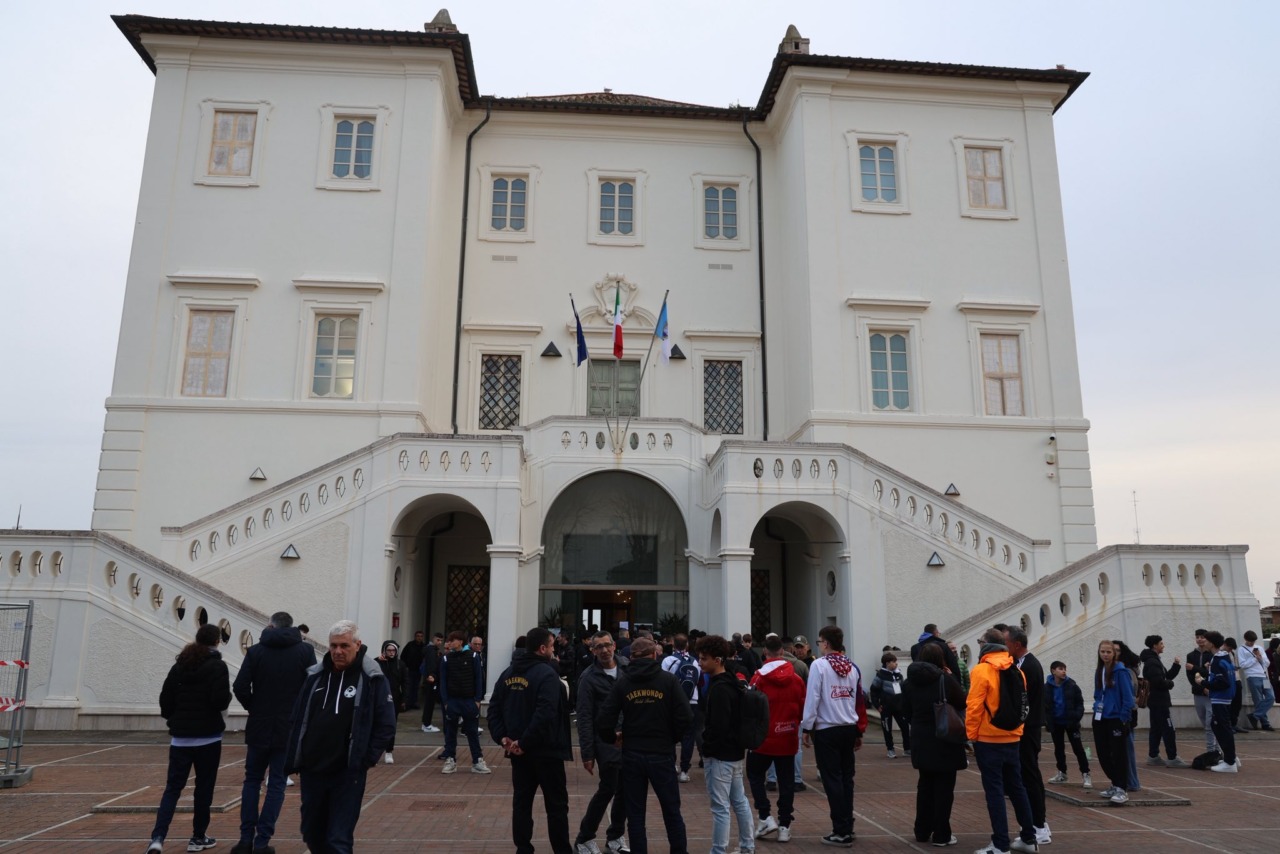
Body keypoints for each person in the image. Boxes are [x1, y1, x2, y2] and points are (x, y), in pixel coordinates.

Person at [284, 620, 396, 854]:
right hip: (313, 770)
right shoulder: (315, 676)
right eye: (333, 646)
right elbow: (298, 717)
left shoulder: (372, 678)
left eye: (344, 645)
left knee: (338, 838)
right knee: (312, 832)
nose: (338, 651)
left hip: (347, 772)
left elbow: (386, 724)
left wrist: (365, 758)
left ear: (358, 645)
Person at [596, 636, 692, 854]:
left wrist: (613, 738)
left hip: (633, 753)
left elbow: (603, 720)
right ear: (655, 655)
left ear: (631, 658)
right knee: (671, 811)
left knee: (636, 815)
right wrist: (671, 737)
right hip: (661, 753)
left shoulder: (624, 682)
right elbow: (685, 716)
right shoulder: (668, 681)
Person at [232, 610, 317, 854]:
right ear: (291, 627)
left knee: (252, 781)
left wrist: (254, 706)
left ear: (270, 626)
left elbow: (240, 686)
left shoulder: (256, 650)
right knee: (276, 784)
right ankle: (262, 841)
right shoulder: (305, 651)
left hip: (260, 724)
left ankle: (246, 838)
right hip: (288, 726)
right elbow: (312, 686)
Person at [488, 627, 575, 854]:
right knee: (556, 806)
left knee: (522, 804)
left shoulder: (507, 673)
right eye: (552, 646)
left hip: (520, 752)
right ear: (542, 648)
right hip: (546, 751)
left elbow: (494, 709)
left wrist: (504, 738)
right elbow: (545, 713)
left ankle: (523, 849)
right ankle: (562, 850)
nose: (555, 651)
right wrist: (520, 742)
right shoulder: (547, 674)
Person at [146, 624, 231, 854]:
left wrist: (174, 719)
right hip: (208, 738)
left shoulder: (180, 665)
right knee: (203, 788)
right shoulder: (217, 666)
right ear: (216, 641)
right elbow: (220, 701)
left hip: (181, 738)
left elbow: (166, 699)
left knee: (172, 789)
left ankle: (157, 838)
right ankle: (197, 837)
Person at [967, 627, 1038, 854]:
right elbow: (1023, 704)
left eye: (980, 641)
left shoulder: (981, 670)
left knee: (995, 791)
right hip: (1013, 736)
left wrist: (971, 736)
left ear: (986, 645)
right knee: (1017, 788)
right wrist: (1018, 729)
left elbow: (974, 707)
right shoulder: (1017, 670)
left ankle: (1000, 844)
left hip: (989, 737)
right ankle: (1029, 838)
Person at [801, 624, 863, 848]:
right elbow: (857, 699)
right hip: (848, 726)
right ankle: (848, 823)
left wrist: (807, 727)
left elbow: (813, 697)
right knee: (846, 778)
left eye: (819, 642)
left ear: (826, 643)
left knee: (832, 780)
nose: (819, 645)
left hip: (827, 728)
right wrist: (858, 730)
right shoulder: (852, 667)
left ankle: (841, 829)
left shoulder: (819, 666)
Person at [901, 641, 966, 847]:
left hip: (921, 738)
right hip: (944, 737)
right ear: (940, 659)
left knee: (925, 786)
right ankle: (941, 834)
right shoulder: (944, 679)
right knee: (944, 789)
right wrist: (950, 675)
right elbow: (962, 701)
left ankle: (921, 830)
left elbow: (905, 710)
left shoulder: (909, 682)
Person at [696, 634, 756, 854]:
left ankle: (719, 850)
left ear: (718, 659)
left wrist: (707, 749)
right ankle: (747, 847)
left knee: (720, 807)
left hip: (720, 755)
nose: (700, 662)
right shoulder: (733, 682)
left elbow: (718, 726)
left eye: (704, 658)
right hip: (735, 753)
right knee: (738, 801)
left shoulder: (720, 688)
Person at [575, 631, 630, 854]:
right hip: (605, 742)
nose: (604, 650)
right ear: (592, 650)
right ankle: (584, 837)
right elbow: (585, 717)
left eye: (607, 645)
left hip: (628, 739)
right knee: (608, 788)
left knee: (625, 790)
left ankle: (616, 836)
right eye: (599, 647)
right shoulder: (588, 678)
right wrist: (587, 753)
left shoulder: (628, 668)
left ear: (614, 645)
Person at [746, 636, 805, 843]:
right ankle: (784, 826)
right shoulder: (797, 679)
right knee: (787, 782)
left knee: (754, 775)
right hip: (787, 735)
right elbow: (802, 706)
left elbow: (750, 708)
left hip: (764, 737)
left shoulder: (758, 678)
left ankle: (764, 816)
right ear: (783, 652)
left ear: (765, 653)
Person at [1004, 626, 1049, 846]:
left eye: (1007, 643)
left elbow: (1024, 699)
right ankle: (1036, 823)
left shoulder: (1029, 666)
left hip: (1028, 728)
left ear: (1017, 645)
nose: (1005, 647)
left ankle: (1039, 825)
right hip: (1026, 726)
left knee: (1030, 775)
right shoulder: (1021, 664)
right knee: (1026, 774)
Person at [439, 630, 491, 774]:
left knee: (472, 731)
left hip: (469, 700)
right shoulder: (445, 659)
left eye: (453, 640)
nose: (450, 643)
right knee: (450, 731)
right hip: (453, 701)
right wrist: (445, 701)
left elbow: (478, 678)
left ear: (460, 642)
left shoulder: (473, 656)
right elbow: (443, 681)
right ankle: (450, 759)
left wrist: (477, 700)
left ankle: (477, 760)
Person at [1091, 640, 1135, 804]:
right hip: (1101, 717)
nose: (1105, 655)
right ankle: (1115, 783)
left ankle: (1121, 788)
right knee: (1103, 753)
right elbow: (1097, 692)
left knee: (1118, 754)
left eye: (1108, 652)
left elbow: (1128, 697)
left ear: (1114, 654)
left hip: (1116, 718)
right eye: (1103, 652)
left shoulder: (1120, 671)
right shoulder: (1100, 670)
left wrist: (1124, 717)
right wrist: (1097, 706)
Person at [1195, 630, 1241, 772]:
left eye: (1206, 640)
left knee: (1222, 728)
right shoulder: (1224, 657)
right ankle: (1232, 758)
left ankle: (1230, 762)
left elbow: (1223, 682)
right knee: (1219, 727)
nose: (1203, 641)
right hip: (1224, 698)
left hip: (1220, 699)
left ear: (1212, 643)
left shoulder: (1218, 660)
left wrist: (1203, 682)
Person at [660, 633, 702, 783]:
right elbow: (698, 681)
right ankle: (685, 770)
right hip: (692, 701)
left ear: (673, 645)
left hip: (672, 702)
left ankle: (672, 764)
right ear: (687, 646)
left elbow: (663, 681)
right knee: (688, 737)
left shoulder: (667, 660)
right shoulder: (695, 661)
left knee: (670, 734)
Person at [1140, 635, 1186, 767]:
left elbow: (1166, 675)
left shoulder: (1154, 660)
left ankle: (1153, 755)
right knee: (1168, 728)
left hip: (1155, 701)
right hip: (1159, 701)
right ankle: (1172, 757)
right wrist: (1170, 684)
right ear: (1154, 645)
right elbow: (1159, 682)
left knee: (1156, 728)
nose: (1163, 645)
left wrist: (1176, 665)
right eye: (1161, 643)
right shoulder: (1153, 662)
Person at [1043, 661, 1091, 788]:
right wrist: (1047, 720)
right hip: (1056, 723)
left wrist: (1076, 716)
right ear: (1053, 671)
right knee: (1058, 749)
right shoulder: (1047, 687)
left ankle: (1086, 774)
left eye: (1065, 669)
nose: (1063, 671)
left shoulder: (1072, 685)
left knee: (1078, 748)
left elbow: (1079, 703)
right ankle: (1062, 773)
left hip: (1071, 722)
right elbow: (1045, 706)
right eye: (1060, 669)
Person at [869, 651, 910, 759]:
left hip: (899, 707)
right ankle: (890, 749)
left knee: (905, 727)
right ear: (887, 663)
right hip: (886, 707)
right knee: (887, 729)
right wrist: (877, 705)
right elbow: (873, 691)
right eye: (893, 662)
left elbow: (903, 690)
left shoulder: (899, 675)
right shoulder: (880, 676)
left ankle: (907, 749)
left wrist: (905, 704)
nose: (896, 663)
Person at [1185, 629, 1218, 753]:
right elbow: (1190, 675)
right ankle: (1215, 750)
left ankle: (1215, 751)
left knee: (1211, 723)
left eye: (1202, 637)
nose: (1200, 639)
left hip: (1209, 693)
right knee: (1205, 721)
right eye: (1197, 637)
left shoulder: (1212, 655)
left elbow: (1210, 673)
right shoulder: (1191, 655)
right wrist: (1200, 686)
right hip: (1198, 692)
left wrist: (1195, 668)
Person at [376, 640, 406, 764]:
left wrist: (404, 699)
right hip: (379, 698)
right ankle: (376, 751)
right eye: (389, 650)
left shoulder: (401, 664)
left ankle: (389, 751)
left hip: (394, 698)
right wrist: (379, 661)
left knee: (391, 726)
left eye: (393, 650)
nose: (391, 653)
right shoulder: (377, 662)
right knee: (377, 725)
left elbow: (405, 682)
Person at [1240, 630, 1275, 730]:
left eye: (1253, 641)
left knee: (1271, 697)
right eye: (1250, 641)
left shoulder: (1259, 648)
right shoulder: (1242, 649)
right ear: (1246, 639)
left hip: (1264, 676)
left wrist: (1260, 657)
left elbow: (1267, 663)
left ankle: (1254, 716)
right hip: (1252, 676)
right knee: (1258, 700)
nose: (1252, 643)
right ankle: (1265, 724)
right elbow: (1243, 665)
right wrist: (1254, 659)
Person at [420, 632, 444, 733]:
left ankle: (426, 723)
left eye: (441, 641)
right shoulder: (431, 650)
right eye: (438, 640)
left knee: (430, 702)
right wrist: (431, 676)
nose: (439, 642)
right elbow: (431, 665)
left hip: (431, 678)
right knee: (429, 702)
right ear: (433, 639)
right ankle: (426, 724)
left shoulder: (432, 650)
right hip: (431, 679)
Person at [401, 630, 426, 711]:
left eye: (421, 636)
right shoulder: (410, 645)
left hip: (419, 670)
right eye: (418, 636)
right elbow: (403, 656)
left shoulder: (424, 646)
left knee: (416, 686)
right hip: (409, 669)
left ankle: (414, 702)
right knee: (409, 686)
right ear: (415, 637)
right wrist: (405, 667)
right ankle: (407, 703)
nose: (419, 638)